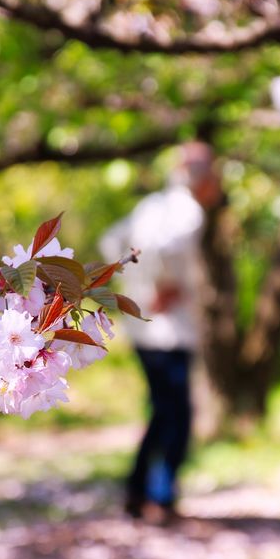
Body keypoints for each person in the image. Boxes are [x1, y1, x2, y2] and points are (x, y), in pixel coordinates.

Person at [99, 142, 222, 522]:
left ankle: (139, 490)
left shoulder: (151, 205)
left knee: (162, 411)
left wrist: (134, 286)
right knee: (176, 415)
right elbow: (165, 249)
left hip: (143, 326)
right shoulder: (187, 211)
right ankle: (161, 493)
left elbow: (110, 242)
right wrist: (163, 285)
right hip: (169, 328)